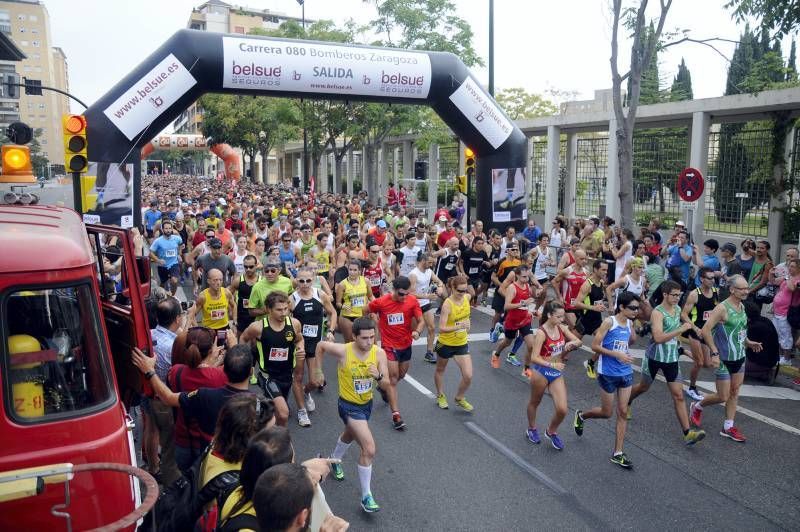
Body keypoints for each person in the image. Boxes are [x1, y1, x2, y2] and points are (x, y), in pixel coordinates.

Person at [130, 342, 252, 472]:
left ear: (224, 368)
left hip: (209, 460)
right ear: (251, 371)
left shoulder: (203, 394)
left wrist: (150, 372)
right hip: (242, 466)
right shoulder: (262, 407)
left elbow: (168, 397)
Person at [316, 317, 390, 513]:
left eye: (372, 337)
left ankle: (333, 460)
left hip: (367, 404)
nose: (369, 342)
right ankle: (366, 496)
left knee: (350, 433)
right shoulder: (343, 351)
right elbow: (321, 346)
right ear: (354, 337)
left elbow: (386, 384)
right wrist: (317, 371)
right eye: (364, 338)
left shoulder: (379, 353)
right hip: (348, 405)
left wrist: (379, 377)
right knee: (369, 448)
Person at [627, 281, 707, 446]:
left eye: (679, 295)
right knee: (643, 387)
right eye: (674, 295)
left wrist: (686, 343)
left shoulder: (678, 309)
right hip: (654, 358)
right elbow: (658, 338)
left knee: (678, 396)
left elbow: (676, 334)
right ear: (665, 295)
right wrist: (681, 329)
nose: (678, 298)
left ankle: (687, 433)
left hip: (671, 359)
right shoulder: (658, 313)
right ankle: (626, 401)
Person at [691, 275, 764, 442]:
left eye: (747, 288)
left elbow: (741, 330)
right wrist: (714, 352)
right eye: (742, 288)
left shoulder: (742, 307)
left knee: (735, 392)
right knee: (722, 396)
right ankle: (697, 406)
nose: (746, 291)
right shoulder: (722, 308)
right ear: (732, 289)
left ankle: (728, 427)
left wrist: (748, 342)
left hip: (739, 357)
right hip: (723, 358)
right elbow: (706, 330)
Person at [573, 292, 639, 469]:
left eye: (637, 308)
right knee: (606, 412)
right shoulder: (610, 322)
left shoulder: (630, 322)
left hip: (625, 372)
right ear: (622, 307)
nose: (636, 311)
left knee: (623, 411)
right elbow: (594, 346)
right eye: (633, 308)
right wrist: (615, 353)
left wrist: (627, 346)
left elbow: (629, 340)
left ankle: (618, 453)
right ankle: (582, 415)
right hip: (608, 372)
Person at [240, 292, 305, 427]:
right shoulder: (258, 327)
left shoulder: (294, 324)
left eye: (286, 309)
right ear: (269, 309)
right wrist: (246, 360)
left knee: (275, 407)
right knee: (283, 413)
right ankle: (279, 441)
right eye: (279, 310)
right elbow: (243, 339)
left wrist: (300, 349)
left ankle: (263, 410)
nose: (283, 313)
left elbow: (299, 339)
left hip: (287, 374)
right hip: (267, 375)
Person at [367, 276, 424, 430]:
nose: (404, 297)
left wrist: (417, 332)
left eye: (406, 294)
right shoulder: (381, 302)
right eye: (401, 294)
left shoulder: (411, 301)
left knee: (401, 375)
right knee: (392, 379)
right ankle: (396, 415)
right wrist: (369, 329)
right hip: (389, 345)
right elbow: (365, 310)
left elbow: (421, 320)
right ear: (393, 290)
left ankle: (382, 388)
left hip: (406, 344)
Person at [525, 302, 582, 450]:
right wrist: (552, 365)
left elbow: (578, 341)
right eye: (559, 316)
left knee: (562, 409)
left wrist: (573, 344)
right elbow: (534, 357)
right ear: (549, 315)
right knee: (535, 402)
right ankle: (531, 429)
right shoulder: (541, 333)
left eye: (563, 316)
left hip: (556, 373)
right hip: (541, 371)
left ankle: (551, 431)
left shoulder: (562, 328)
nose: (562, 319)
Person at [290, 267, 338, 426]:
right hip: (299, 344)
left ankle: (305, 391)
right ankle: (302, 411)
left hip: (316, 345)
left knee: (316, 381)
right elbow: (285, 320)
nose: (304, 284)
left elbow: (333, 313)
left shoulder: (320, 294)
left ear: (313, 280)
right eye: (301, 280)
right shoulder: (292, 298)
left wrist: (330, 331)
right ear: (296, 280)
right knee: (297, 376)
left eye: (308, 280)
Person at [148, 297, 184, 486]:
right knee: (169, 444)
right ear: (177, 318)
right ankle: (171, 485)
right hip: (165, 399)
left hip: (148, 392)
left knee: (150, 430)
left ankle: (152, 466)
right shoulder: (174, 345)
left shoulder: (148, 333)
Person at [433, 275, 474, 412]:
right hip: (445, 343)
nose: (463, 294)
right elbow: (442, 328)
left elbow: (466, 318)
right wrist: (459, 326)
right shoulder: (447, 304)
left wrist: (467, 325)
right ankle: (440, 395)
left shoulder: (467, 298)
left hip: (461, 342)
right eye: (460, 291)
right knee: (440, 370)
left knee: (468, 375)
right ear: (452, 289)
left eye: (464, 290)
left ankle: (459, 397)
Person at [680, 266, 718, 401]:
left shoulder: (716, 292)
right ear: (702, 279)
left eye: (714, 278)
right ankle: (691, 387)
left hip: (707, 331)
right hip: (694, 330)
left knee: (708, 364)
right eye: (709, 278)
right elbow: (683, 314)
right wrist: (695, 328)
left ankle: (682, 351)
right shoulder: (694, 294)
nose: (712, 280)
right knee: (699, 363)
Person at [491, 264, 536, 375]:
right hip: (512, 320)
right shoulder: (512, 288)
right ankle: (496, 354)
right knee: (507, 342)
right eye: (523, 277)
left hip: (525, 320)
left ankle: (526, 369)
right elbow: (507, 306)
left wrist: (531, 311)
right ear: (517, 276)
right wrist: (522, 303)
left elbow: (525, 304)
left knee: (531, 345)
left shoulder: (527, 287)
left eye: (527, 277)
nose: (526, 279)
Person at [408, 253, 445, 363]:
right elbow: (411, 293)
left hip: (425, 303)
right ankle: (403, 349)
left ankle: (429, 353)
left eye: (432, 262)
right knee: (413, 331)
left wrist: (440, 288)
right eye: (429, 262)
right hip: (414, 304)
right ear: (423, 261)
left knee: (432, 327)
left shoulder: (429, 271)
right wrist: (427, 296)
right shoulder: (413, 274)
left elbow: (439, 281)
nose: (431, 264)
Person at [552, 248, 588, 337]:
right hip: (568, 305)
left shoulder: (586, 272)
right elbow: (554, 282)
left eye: (585, 259)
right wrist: (560, 297)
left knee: (578, 331)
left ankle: (560, 337)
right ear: (575, 258)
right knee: (576, 329)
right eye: (582, 259)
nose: (584, 261)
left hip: (579, 305)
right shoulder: (567, 271)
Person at [336, 259, 374, 342]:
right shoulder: (342, 284)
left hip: (363, 316)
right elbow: (338, 303)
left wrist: (376, 306)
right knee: (350, 343)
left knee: (365, 342)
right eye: (350, 270)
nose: (352, 272)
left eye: (355, 270)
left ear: (359, 271)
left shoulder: (366, 281)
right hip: (347, 317)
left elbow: (371, 296)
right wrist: (343, 306)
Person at [192, 268, 236, 338]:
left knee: (225, 347)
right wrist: (198, 329)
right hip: (209, 330)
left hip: (224, 328)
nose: (218, 283)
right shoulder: (203, 297)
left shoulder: (226, 293)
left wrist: (234, 323)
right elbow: (192, 314)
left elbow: (234, 306)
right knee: (210, 348)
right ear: (208, 281)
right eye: (215, 280)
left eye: (220, 280)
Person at [772, 259, 800, 366]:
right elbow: (774, 282)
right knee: (778, 333)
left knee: (786, 335)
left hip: (786, 311)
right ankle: (780, 355)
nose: (790, 268)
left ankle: (787, 358)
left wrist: (787, 277)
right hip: (777, 310)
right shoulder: (788, 277)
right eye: (789, 266)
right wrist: (771, 274)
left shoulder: (797, 279)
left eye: (793, 266)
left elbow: (792, 288)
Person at [149, 219, 184, 296]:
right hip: (162, 265)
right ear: (162, 229)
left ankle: (173, 295)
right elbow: (150, 253)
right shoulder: (158, 241)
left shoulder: (177, 238)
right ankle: (160, 296)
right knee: (163, 283)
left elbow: (181, 245)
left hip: (174, 263)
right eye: (166, 228)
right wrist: (158, 260)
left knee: (174, 281)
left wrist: (179, 254)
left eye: (169, 228)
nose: (168, 230)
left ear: (172, 229)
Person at [229, 254, 261, 339]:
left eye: (251, 267)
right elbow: (227, 295)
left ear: (256, 265)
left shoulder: (261, 281)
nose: (248, 269)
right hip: (242, 316)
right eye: (246, 267)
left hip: (257, 316)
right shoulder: (238, 280)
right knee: (241, 341)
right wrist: (231, 309)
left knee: (255, 344)